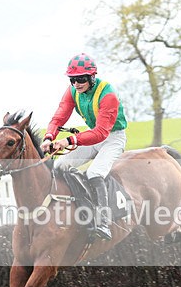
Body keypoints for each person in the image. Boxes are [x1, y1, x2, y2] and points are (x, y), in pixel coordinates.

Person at [41, 53, 128, 240]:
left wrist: (69, 141)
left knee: (95, 173)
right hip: (92, 136)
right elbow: (59, 117)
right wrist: (49, 137)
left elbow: (102, 133)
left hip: (112, 138)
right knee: (59, 166)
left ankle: (104, 222)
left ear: (92, 77)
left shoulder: (108, 94)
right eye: (72, 80)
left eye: (81, 79)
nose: (76, 84)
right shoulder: (72, 91)